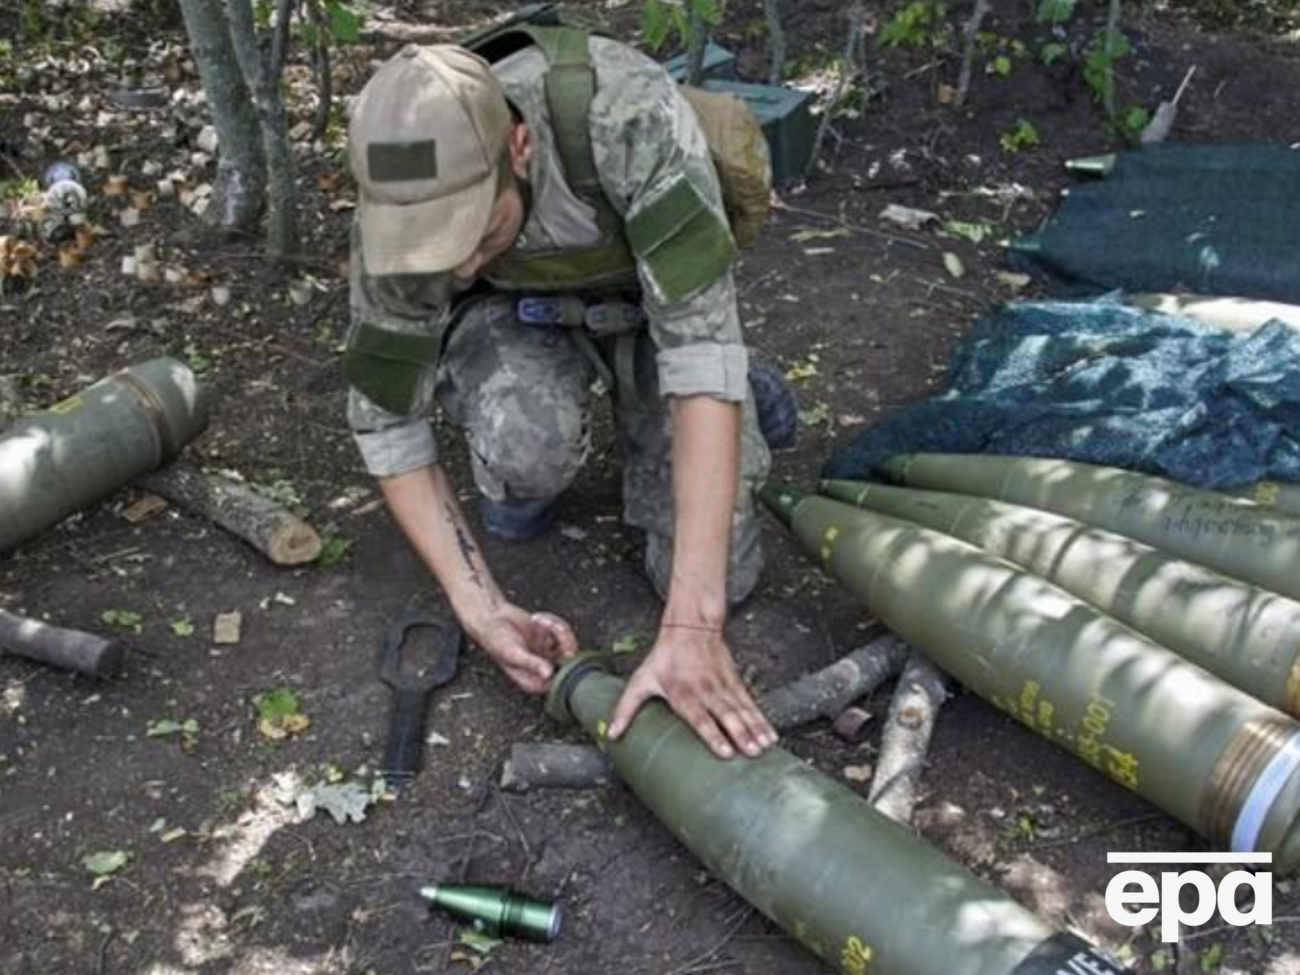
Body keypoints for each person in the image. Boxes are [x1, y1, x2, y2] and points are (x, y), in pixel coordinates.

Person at [343, 30, 789, 760]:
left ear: (518, 148)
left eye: (477, 234)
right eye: (433, 249)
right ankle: (533, 464)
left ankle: (742, 396)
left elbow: (699, 354)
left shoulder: (625, 115)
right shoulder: (396, 210)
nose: (453, 267)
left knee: (725, 580)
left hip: (652, 314)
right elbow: (387, 420)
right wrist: (480, 606)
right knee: (526, 450)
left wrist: (692, 630)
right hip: (514, 323)